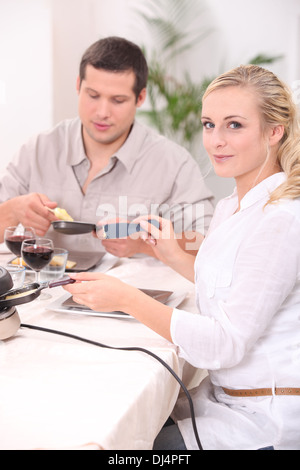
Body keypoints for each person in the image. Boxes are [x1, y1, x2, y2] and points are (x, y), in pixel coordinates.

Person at [63, 64, 300, 450]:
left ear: (274, 131)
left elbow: (226, 342)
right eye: (209, 125)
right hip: (224, 400)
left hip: (262, 419)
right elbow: (234, 287)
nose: (216, 141)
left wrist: (125, 298)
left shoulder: (282, 219)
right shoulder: (234, 206)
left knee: (125, 444)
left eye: (234, 125)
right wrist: (168, 253)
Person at [0, 36, 214, 257]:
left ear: (140, 98)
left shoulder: (173, 163)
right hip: (46, 288)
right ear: (78, 86)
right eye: (93, 95)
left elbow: (206, 242)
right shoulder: (38, 149)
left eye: (118, 100)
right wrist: (13, 210)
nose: (102, 112)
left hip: (132, 290)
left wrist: (144, 245)